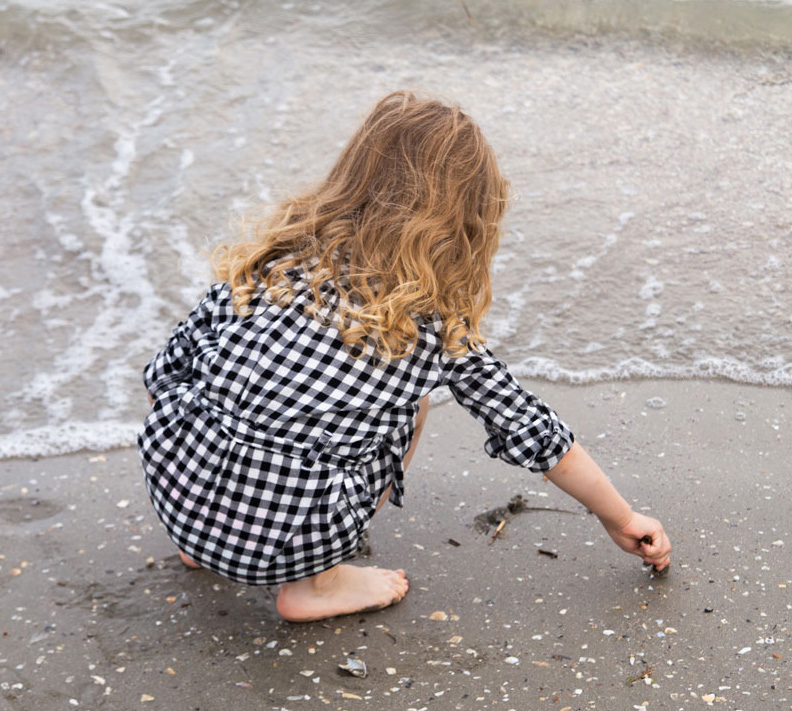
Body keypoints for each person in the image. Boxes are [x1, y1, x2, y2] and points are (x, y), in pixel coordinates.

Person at [138, 90, 671, 623]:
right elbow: (528, 427)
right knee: (411, 406)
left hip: (178, 492)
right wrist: (620, 517)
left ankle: (204, 542)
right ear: (462, 218)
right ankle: (317, 585)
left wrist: (210, 467)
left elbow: (164, 372)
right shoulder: (430, 327)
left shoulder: (274, 261)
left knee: (216, 391)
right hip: (287, 535)